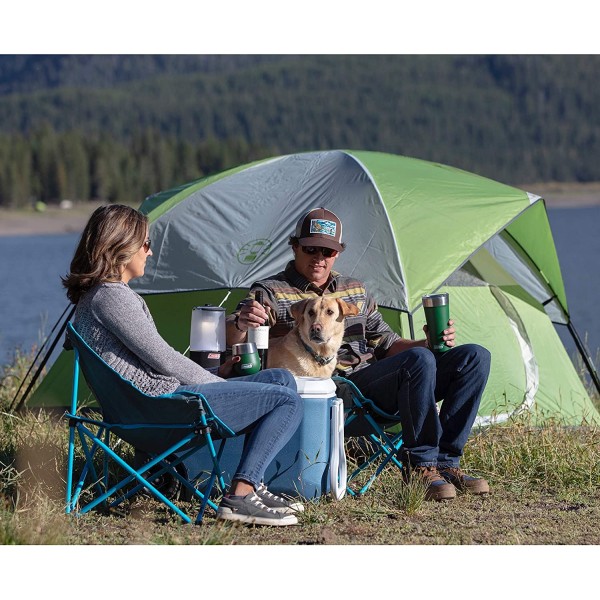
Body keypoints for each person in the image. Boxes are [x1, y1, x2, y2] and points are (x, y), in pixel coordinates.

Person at [62, 204, 305, 526]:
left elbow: (147, 364)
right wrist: (217, 384)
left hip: (145, 406)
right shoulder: (112, 297)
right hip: (160, 409)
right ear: (122, 247)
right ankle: (240, 496)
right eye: (146, 244)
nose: (150, 252)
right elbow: (162, 359)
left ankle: (253, 485)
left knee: (279, 379)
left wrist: (219, 375)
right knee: (286, 399)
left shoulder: (98, 297)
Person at [227, 207, 492, 501]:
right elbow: (235, 336)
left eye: (327, 251)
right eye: (311, 248)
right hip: (333, 390)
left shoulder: (355, 290)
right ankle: (420, 467)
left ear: (337, 253)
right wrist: (240, 323)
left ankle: (446, 463)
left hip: (372, 380)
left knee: (474, 357)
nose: (319, 258)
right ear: (295, 247)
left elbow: (388, 344)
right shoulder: (271, 291)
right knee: (419, 361)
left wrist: (427, 342)